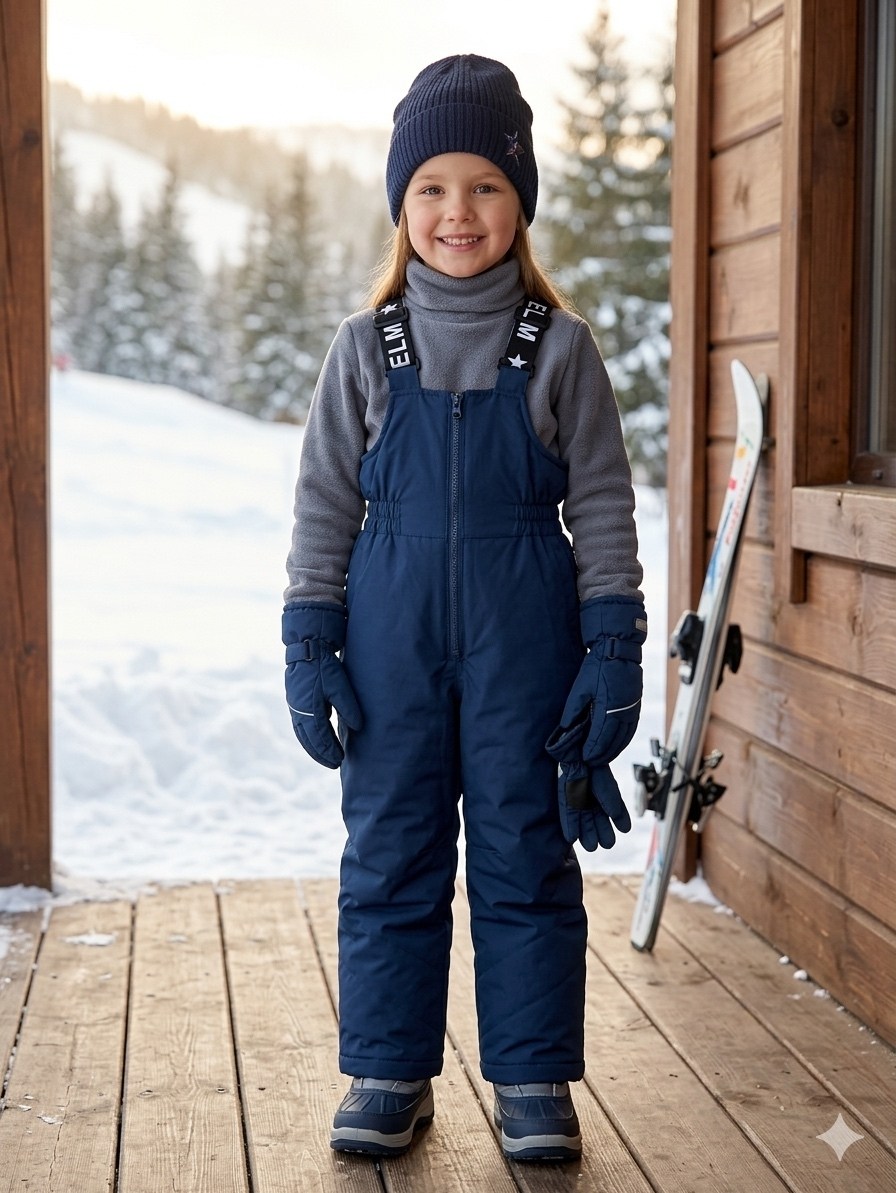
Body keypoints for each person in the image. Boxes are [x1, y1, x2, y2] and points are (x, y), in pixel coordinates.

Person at [282, 53, 646, 1163]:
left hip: (522, 635)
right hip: (390, 639)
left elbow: (601, 504)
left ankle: (532, 1073)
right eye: (432, 187)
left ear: (519, 201)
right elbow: (321, 508)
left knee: (523, 847)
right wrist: (310, 639)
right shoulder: (365, 348)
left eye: (485, 185)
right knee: (389, 851)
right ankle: (389, 1065)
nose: (457, 211)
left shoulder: (559, 348)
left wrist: (613, 645)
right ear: (402, 203)